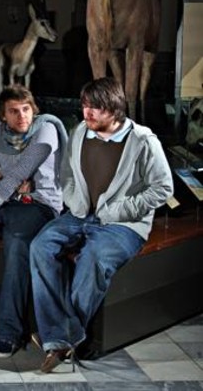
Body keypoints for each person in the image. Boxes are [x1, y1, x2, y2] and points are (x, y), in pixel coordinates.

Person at [29, 77, 174, 373]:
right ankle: (64, 335)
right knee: (40, 246)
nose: (87, 112)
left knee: (93, 258)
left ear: (115, 108)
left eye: (95, 107)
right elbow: (66, 174)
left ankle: (60, 339)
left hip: (124, 224)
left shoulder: (143, 140)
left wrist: (120, 210)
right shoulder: (80, 131)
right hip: (80, 215)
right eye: (85, 105)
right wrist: (75, 202)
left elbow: (163, 188)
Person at [0, 84, 68, 357]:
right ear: (3, 115)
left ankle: (9, 333)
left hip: (39, 205)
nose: (22, 116)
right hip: (8, 202)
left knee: (17, 240)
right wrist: (4, 192)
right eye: (14, 111)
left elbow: (24, 167)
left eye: (26, 109)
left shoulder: (46, 129)